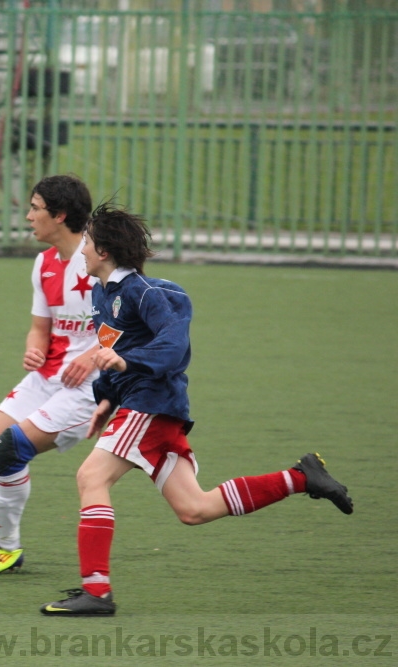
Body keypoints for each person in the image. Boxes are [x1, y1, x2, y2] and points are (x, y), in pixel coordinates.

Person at [39, 203, 354, 617]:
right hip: (144, 407)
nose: (82, 249)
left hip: (151, 406)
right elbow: (116, 351)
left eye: (89, 242)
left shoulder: (146, 293)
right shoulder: (104, 295)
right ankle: (301, 477)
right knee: (194, 509)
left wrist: (126, 366)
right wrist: (106, 399)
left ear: (104, 252)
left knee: (90, 476)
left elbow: (173, 347)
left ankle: (96, 592)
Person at [0, 174, 99, 576]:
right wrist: (33, 346)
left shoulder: (100, 258)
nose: (28, 216)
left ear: (59, 215)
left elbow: (132, 326)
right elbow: (40, 327)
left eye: (35, 208)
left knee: (9, 451)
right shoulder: (43, 263)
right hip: (45, 377)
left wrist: (94, 355)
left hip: (86, 389)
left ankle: (8, 548)